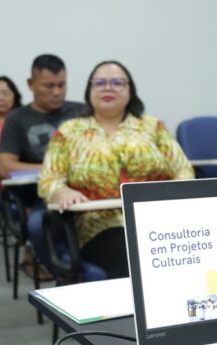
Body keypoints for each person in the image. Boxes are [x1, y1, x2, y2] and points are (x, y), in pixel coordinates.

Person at [38, 60, 194, 278]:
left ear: (130, 90)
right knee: (131, 253)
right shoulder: (69, 131)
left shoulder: (152, 126)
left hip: (158, 219)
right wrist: (60, 191)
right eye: (100, 83)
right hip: (99, 226)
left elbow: (184, 171)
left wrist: (172, 197)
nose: (108, 88)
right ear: (89, 90)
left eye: (117, 83)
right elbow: (49, 180)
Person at [0, 54, 82, 279]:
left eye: (62, 85)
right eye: (49, 86)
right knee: (38, 227)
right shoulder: (17, 119)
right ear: (30, 84)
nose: (57, 92)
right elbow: (5, 167)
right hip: (41, 197)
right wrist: (52, 169)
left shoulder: (81, 112)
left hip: (86, 191)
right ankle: (61, 272)